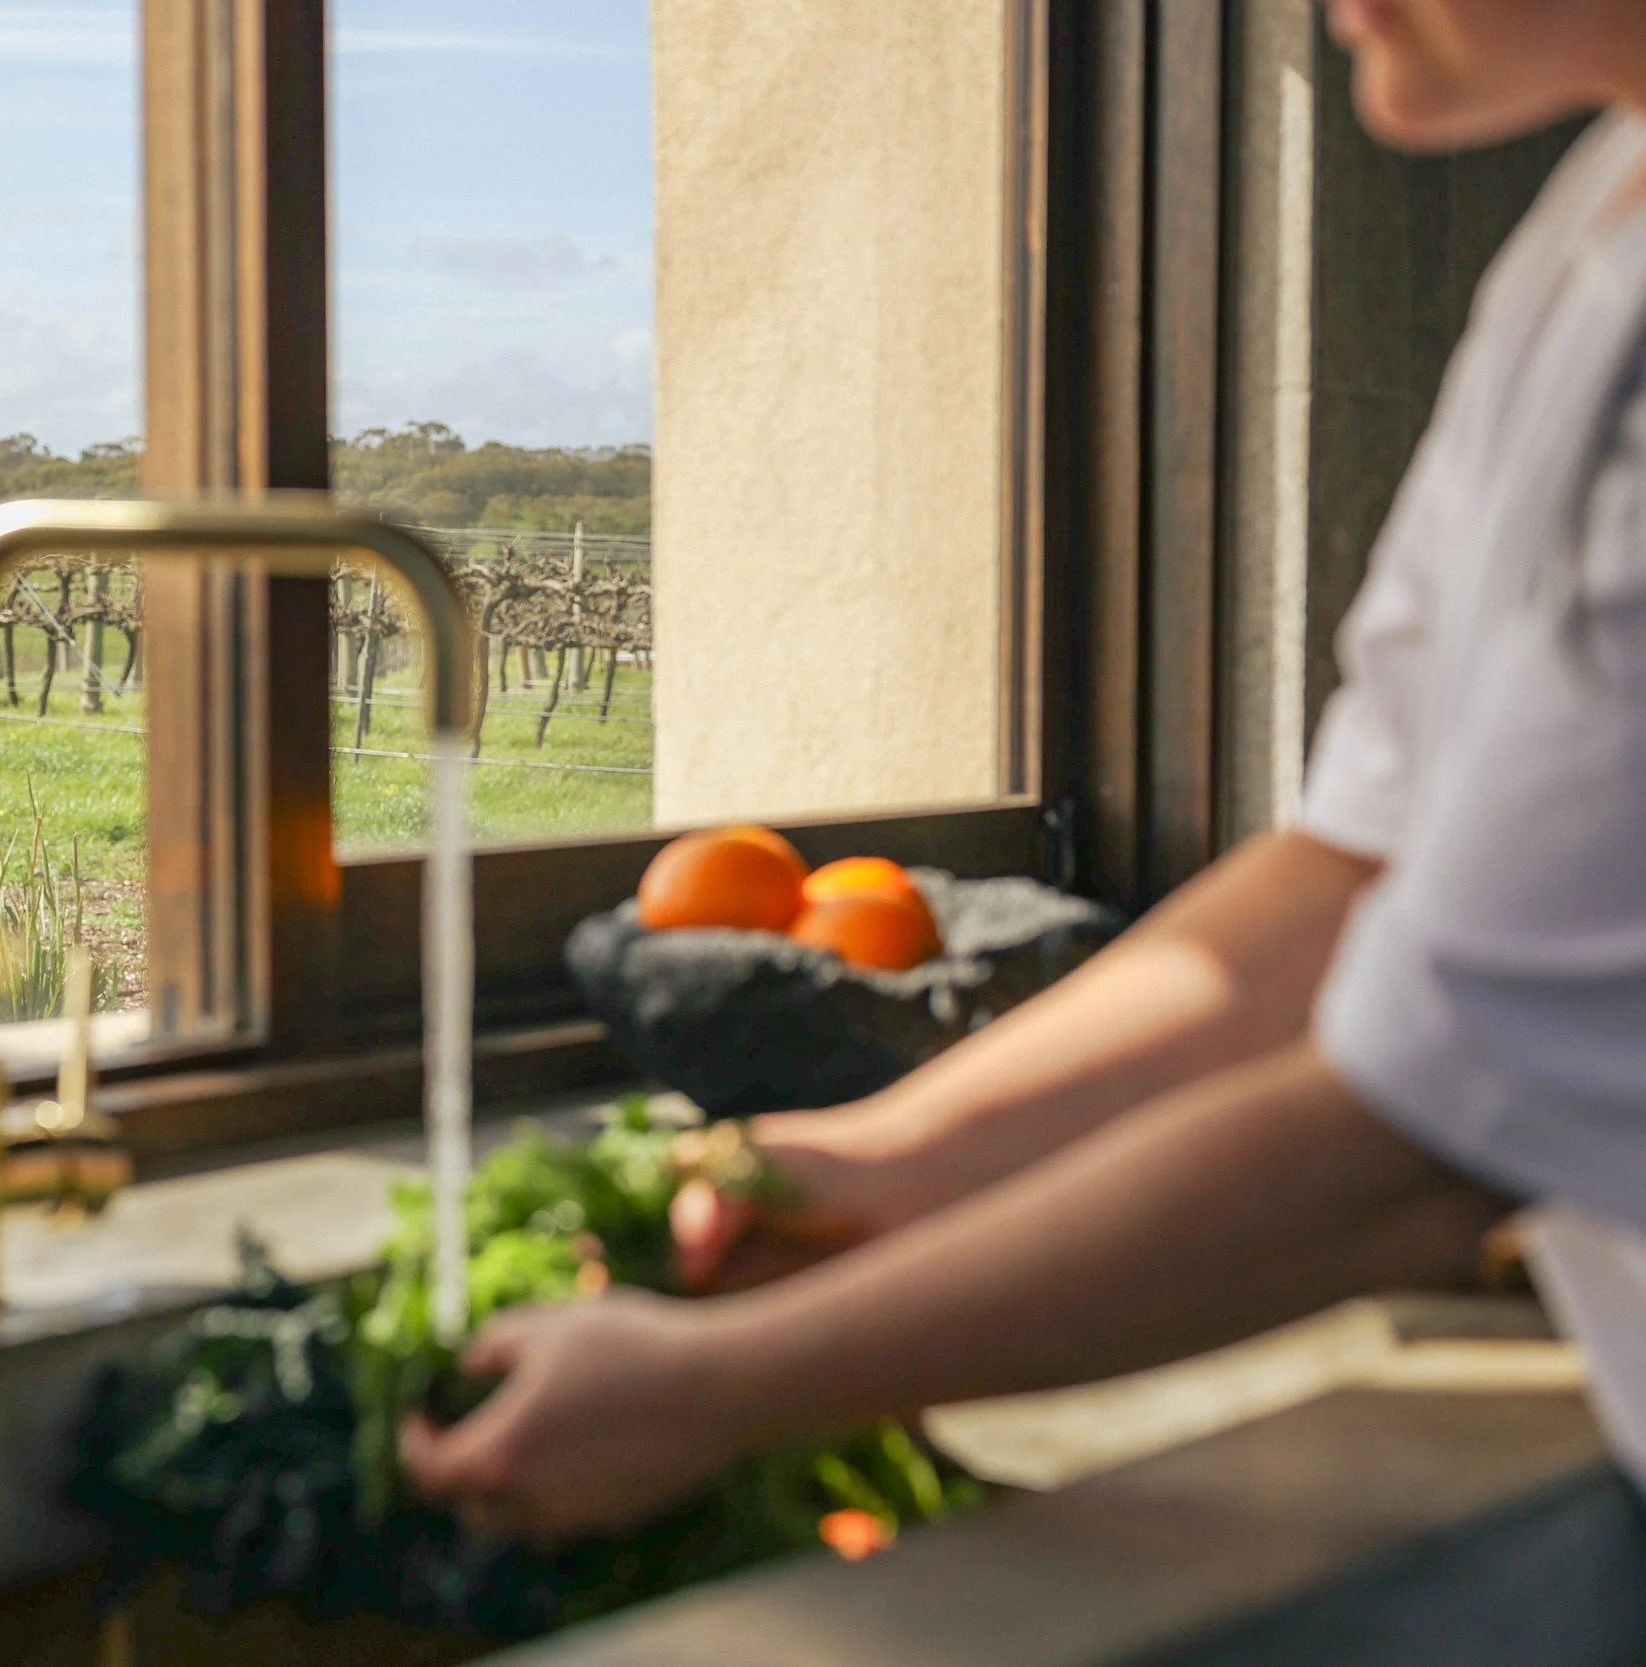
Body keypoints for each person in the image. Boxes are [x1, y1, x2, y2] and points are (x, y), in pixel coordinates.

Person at [404, 0, 1646, 1629]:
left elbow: (1414, 1148)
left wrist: (721, 1385)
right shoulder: (1594, 238)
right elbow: (1352, 881)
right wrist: (880, 1159)